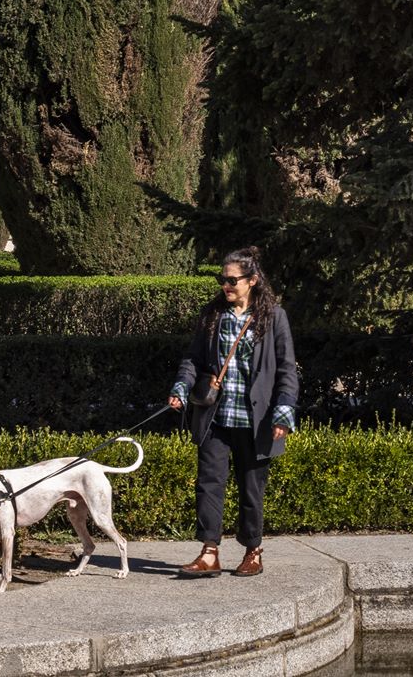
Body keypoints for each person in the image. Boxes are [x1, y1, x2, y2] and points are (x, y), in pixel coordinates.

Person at [165, 246, 298, 578]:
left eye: (232, 280)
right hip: (216, 419)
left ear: (252, 280)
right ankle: (209, 552)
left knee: (251, 490)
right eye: (221, 279)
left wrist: (283, 412)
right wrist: (181, 387)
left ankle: (253, 551)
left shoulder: (273, 317)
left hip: (256, 421)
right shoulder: (213, 316)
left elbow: (286, 369)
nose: (225, 285)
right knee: (209, 484)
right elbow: (193, 359)